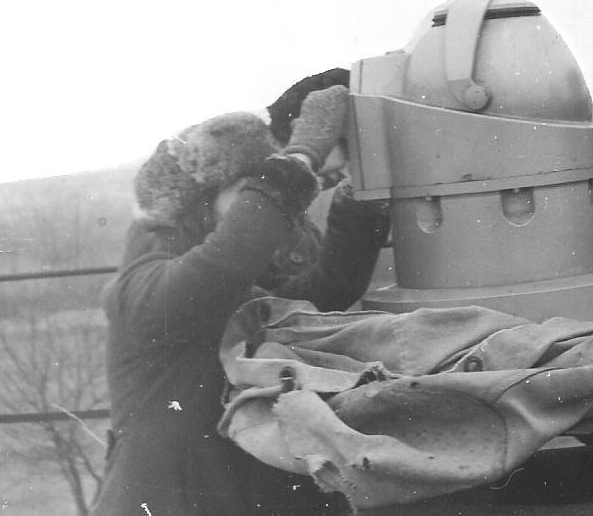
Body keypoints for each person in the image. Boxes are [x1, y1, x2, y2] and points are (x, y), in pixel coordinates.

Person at [90, 70, 390, 516]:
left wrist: (359, 193)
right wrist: (299, 160)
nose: (261, 205)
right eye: (245, 190)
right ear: (204, 198)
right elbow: (217, 268)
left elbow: (316, 298)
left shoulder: (252, 257)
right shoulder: (148, 276)